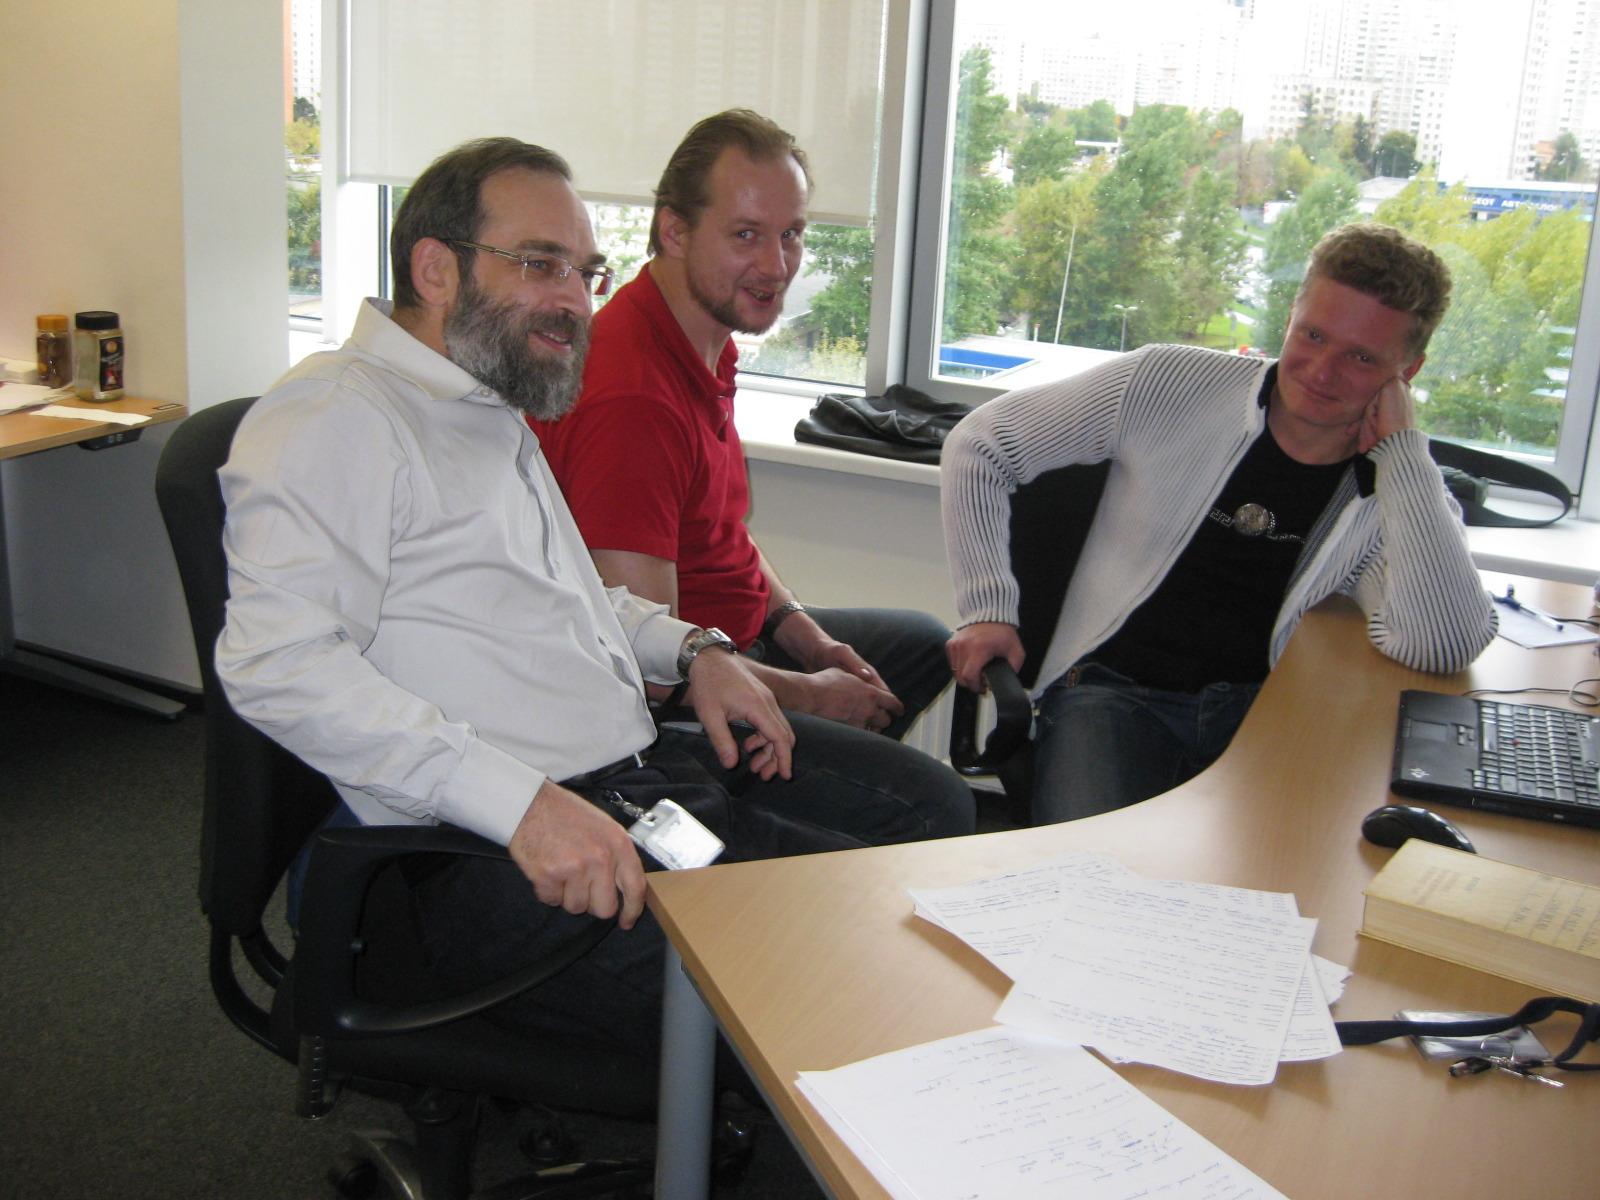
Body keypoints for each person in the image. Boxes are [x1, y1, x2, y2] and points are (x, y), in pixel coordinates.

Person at [214, 137, 946, 1068]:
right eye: (540, 264)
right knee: (841, 996)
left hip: (628, 790)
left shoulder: (481, 403)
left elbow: (573, 596)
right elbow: (275, 662)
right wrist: (522, 806)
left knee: (899, 894)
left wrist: (696, 652)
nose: (575, 299)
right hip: (488, 850)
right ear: (436, 270)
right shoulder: (338, 417)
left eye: (585, 272)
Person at [943, 222, 1497, 826]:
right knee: (1092, 871)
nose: (1321, 370)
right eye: (1312, 335)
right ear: (1291, 317)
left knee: (1299, 872)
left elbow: (1441, 644)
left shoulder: (1390, 487)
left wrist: (1406, 456)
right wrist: (989, 607)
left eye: (1361, 358)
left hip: (1269, 714)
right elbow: (981, 444)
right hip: (1110, 694)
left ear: (1406, 372)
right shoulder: (1167, 382)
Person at [530, 109, 952, 746]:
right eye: (746, 235)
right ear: (675, 231)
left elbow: (719, 533)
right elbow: (644, 661)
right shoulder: (633, 396)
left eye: (791, 234)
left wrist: (806, 636)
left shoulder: (704, 340)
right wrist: (812, 695)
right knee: (928, 795)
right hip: (680, 704)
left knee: (924, 645)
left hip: (739, 640)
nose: (777, 266)